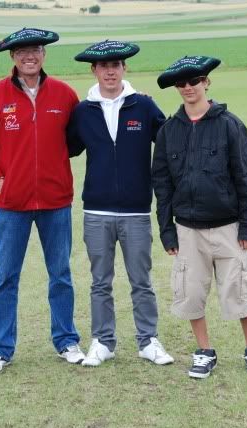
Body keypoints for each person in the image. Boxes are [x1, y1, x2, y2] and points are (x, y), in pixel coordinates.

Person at [0, 28, 85, 375]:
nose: (29, 56)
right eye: (22, 51)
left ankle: (66, 340)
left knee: (60, 274)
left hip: (55, 201)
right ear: (12, 57)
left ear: (44, 54)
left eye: (35, 50)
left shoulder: (64, 94)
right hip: (11, 206)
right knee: (5, 277)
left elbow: (74, 142)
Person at [152, 55, 247, 379]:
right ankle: (204, 351)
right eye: (182, 83)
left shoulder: (230, 125)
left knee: (239, 290)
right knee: (190, 293)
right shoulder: (168, 131)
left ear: (207, 82)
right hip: (187, 229)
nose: (188, 87)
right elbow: (162, 184)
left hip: (228, 226)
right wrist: (167, 231)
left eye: (194, 81)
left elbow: (244, 177)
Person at [67, 40, 173, 367]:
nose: (110, 71)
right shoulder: (82, 112)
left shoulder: (143, 106)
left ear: (124, 68)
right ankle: (102, 341)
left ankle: (148, 341)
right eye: (103, 66)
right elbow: (66, 149)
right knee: (100, 281)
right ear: (94, 70)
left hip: (137, 211)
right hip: (96, 211)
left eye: (116, 65)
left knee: (141, 280)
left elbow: (171, 141)